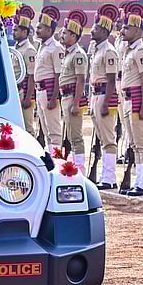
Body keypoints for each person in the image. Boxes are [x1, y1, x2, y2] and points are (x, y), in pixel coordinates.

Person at [120, 3, 143, 196]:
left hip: (136, 100)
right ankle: (140, 181)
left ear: (138, 30)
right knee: (134, 143)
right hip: (127, 99)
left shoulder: (141, 50)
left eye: (127, 28)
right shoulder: (129, 50)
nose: (123, 31)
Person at [88, 5, 121, 190]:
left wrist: (107, 102)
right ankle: (104, 175)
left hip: (103, 95)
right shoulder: (96, 49)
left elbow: (110, 80)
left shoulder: (109, 51)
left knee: (108, 138)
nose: (93, 30)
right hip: (95, 94)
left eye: (97, 28)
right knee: (100, 137)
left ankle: (109, 176)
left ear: (104, 31)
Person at [58, 10, 89, 169]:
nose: (61, 35)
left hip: (72, 97)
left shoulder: (78, 54)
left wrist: (76, 103)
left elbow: (81, 79)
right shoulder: (68, 53)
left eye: (65, 33)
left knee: (76, 136)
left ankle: (80, 168)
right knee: (69, 135)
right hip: (65, 97)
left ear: (74, 36)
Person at [33, 6, 65, 155]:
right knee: (45, 130)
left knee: (54, 130)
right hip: (40, 91)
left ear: (49, 30)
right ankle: (52, 159)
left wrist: (54, 97)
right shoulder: (41, 46)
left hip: (49, 91)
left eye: (40, 28)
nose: (37, 30)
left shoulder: (56, 48)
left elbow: (59, 74)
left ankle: (58, 161)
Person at [13, 5, 39, 138]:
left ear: (24, 32)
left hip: (24, 92)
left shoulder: (29, 50)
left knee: (28, 128)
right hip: (16, 91)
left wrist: (28, 97)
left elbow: (31, 76)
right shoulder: (15, 47)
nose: (13, 33)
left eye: (16, 30)